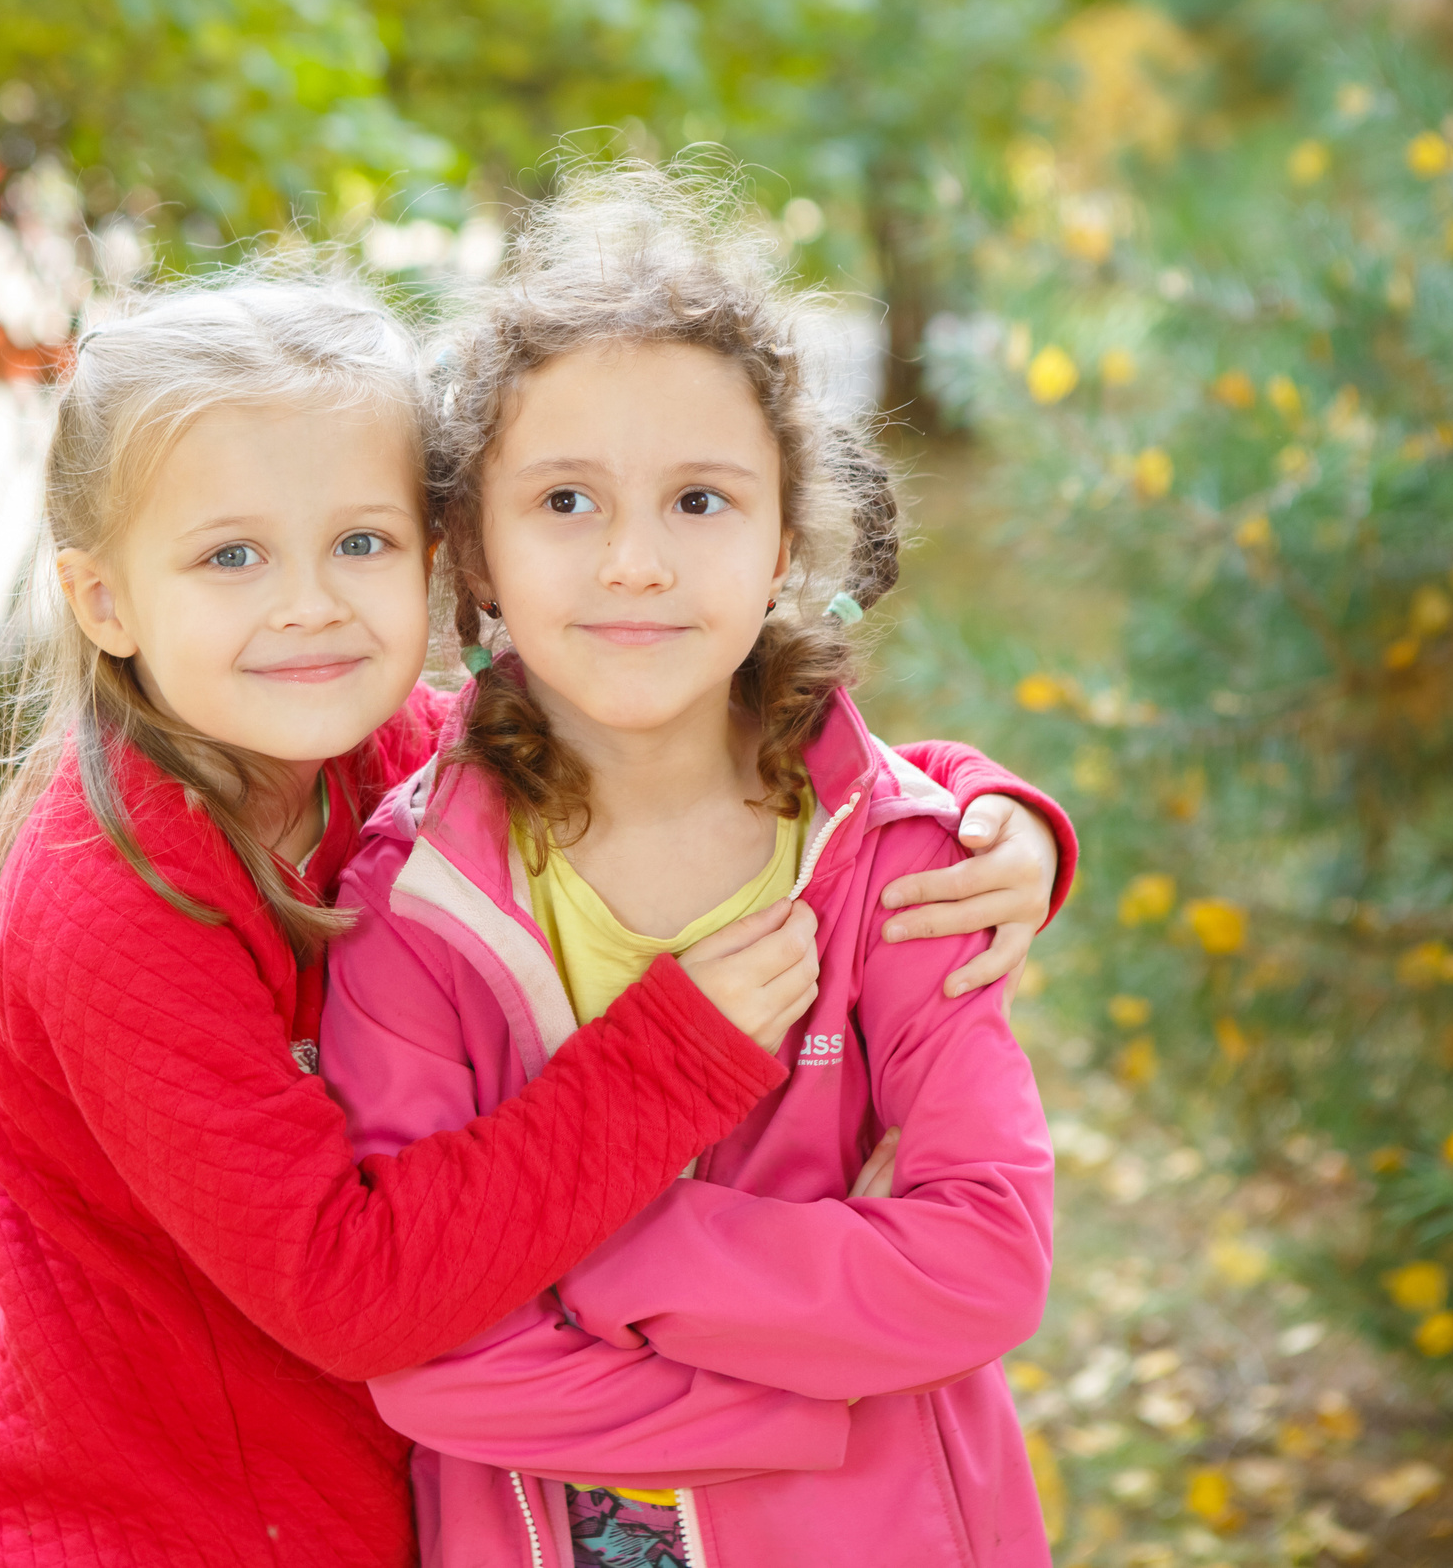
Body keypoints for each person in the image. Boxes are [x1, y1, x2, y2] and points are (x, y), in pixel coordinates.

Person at [0, 270, 1072, 1568]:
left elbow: (663, 742)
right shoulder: (118, 905)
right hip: (173, 1524)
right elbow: (352, 1293)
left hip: (379, 1495)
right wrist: (673, 1061)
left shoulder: (372, 745)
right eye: (230, 556)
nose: (309, 604)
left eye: (359, 543)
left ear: (436, 554)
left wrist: (980, 808)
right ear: (103, 599)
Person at [320, 169, 1057, 1568]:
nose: (638, 563)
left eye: (702, 501)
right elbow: (427, 1358)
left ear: (790, 536)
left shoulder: (899, 863)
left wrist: (594, 1261)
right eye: (566, 501)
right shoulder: (412, 909)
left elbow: (988, 1261)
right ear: (472, 550)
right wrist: (835, 1408)